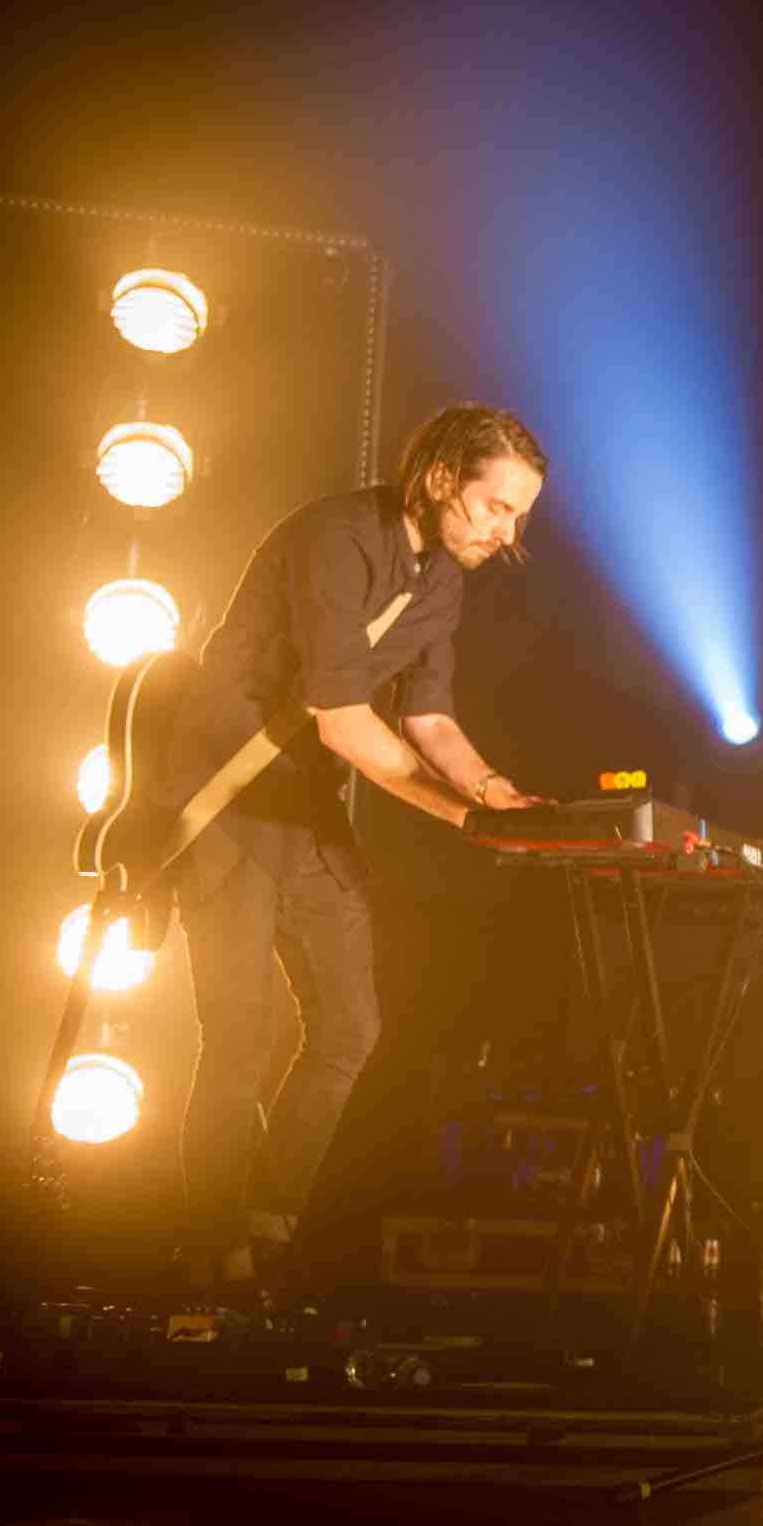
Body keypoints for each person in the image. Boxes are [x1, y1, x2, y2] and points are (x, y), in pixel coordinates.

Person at [168, 403, 547, 1302]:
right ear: (444, 478)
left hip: (301, 808)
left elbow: (429, 719)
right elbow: (343, 721)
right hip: (226, 799)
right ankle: (200, 1257)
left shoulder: (443, 583)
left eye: (520, 516)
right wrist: (461, 821)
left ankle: (265, 1226)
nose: (507, 531)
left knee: (351, 1028)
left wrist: (498, 795)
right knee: (239, 1037)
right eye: (497, 506)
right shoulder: (334, 537)